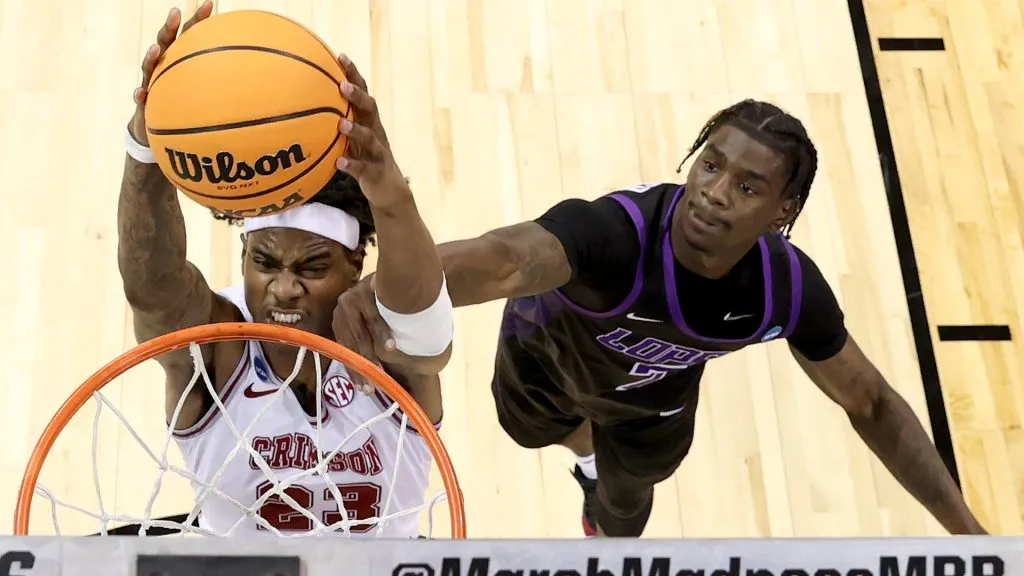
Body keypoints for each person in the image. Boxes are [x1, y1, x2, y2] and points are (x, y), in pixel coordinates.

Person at [333, 99, 988, 538]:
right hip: (542, 369)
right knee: (533, 435)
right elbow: (504, 261)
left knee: (623, 509)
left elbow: (870, 402)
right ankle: (584, 448)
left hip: (654, 406)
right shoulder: (615, 235)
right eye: (711, 166)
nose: (714, 193)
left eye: (748, 187)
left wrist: (970, 537)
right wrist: (394, 290)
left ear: (782, 212)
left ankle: (600, 479)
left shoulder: (784, 288)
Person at [117, 2, 452, 538]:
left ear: (354, 264)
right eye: (264, 262)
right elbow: (152, 291)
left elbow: (423, 316)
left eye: (312, 267)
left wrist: (389, 190)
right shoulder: (219, 353)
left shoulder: (385, 348)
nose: (284, 287)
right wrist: (147, 146)